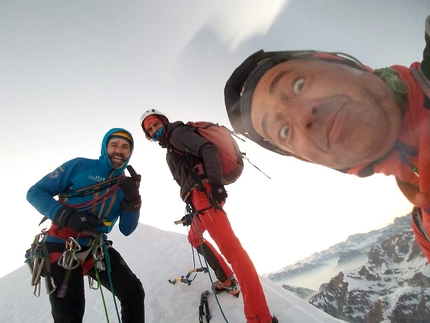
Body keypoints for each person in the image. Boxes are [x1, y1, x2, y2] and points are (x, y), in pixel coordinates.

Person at [224, 16, 430, 262]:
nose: (302, 117)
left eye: (299, 85)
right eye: (284, 132)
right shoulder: (424, 229)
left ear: (343, 64)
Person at [140, 110, 276, 323]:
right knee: (194, 237)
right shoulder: (171, 149)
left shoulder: (177, 134)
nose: (154, 130)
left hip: (205, 194)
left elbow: (208, 148)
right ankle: (226, 278)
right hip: (198, 200)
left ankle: (260, 317)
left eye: (155, 125)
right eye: (150, 130)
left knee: (231, 249)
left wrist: (215, 184)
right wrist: (192, 210)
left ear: (164, 123)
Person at [26, 128, 145, 323]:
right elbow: (35, 192)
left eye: (125, 147)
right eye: (114, 144)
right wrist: (67, 216)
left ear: (130, 153)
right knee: (70, 314)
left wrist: (134, 201)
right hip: (61, 244)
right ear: (105, 147)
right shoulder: (80, 166)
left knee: (133, 292)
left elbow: (127, 229)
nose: (119, 150)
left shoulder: (125, 185)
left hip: (95, 248)